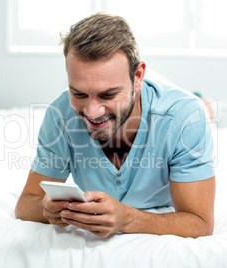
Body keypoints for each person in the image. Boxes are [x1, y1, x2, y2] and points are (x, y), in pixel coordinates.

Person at [15, 13, 215, 238]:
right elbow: (24, 205)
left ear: (138, 76)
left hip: (172, 104)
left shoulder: (185, 114)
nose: (92, 112)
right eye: (78, 93)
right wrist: (46, 208)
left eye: (108, 94)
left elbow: (200, 223)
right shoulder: (60, 113)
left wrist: (128, 218)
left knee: (200, 106)